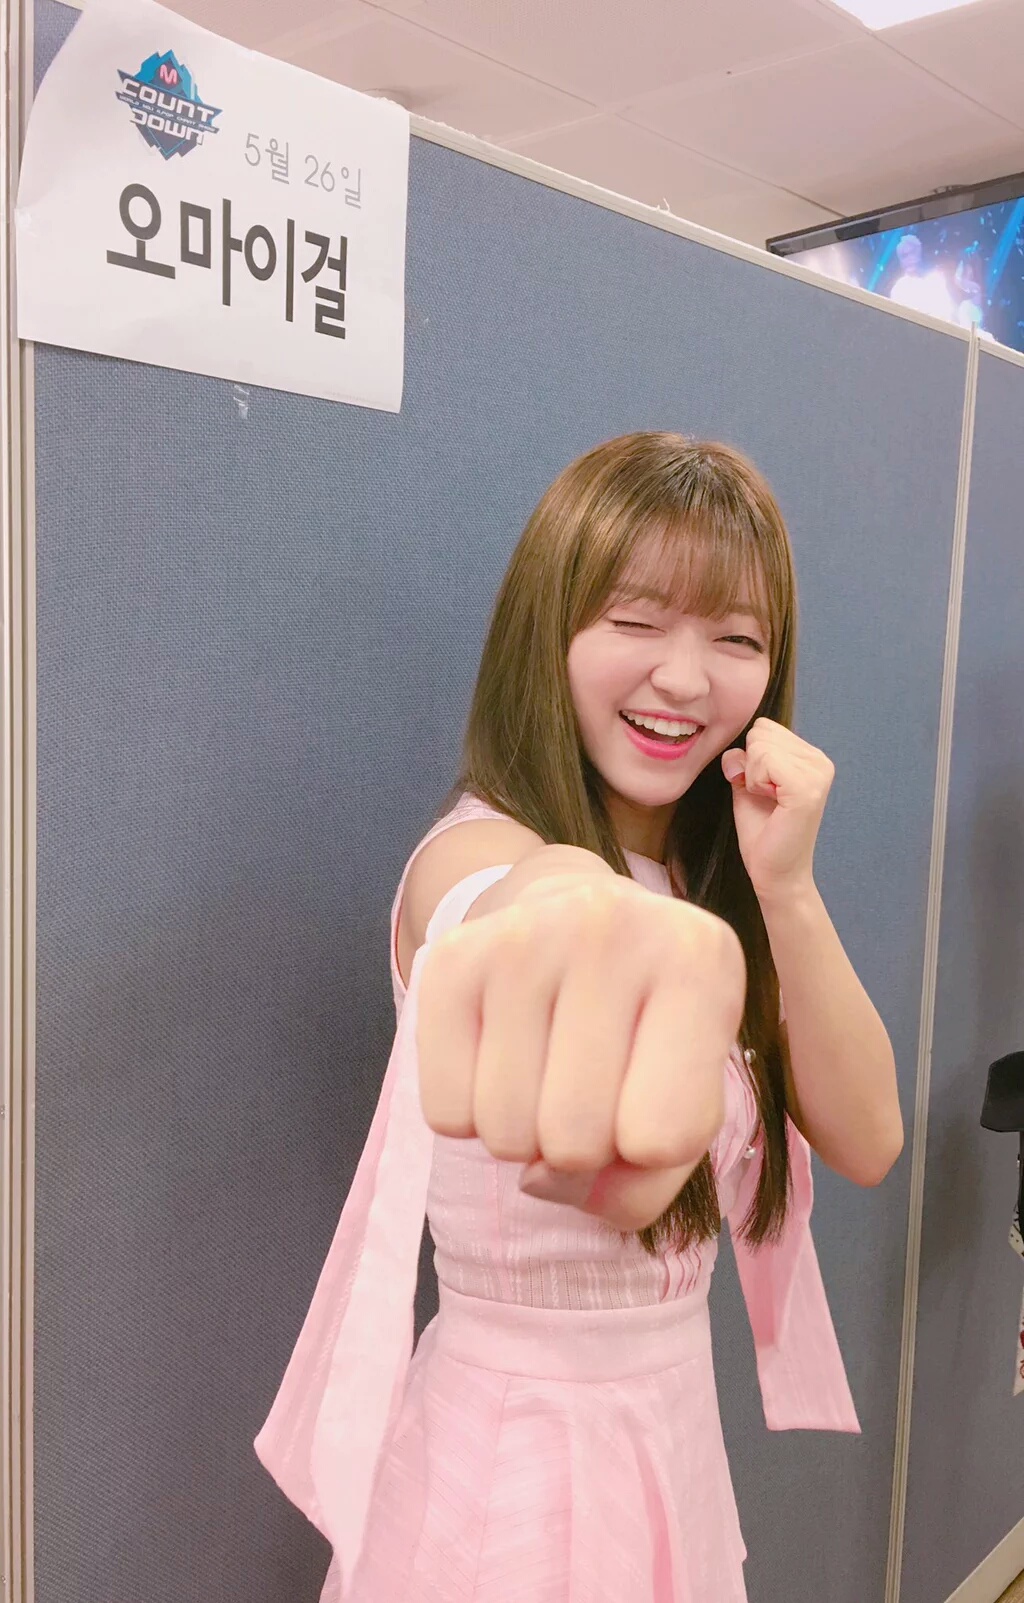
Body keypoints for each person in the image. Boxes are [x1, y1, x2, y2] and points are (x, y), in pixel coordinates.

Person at [255, 434, 904, 1602]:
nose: (685, 680)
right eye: (636, 620)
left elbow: (868, 1137)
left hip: (669, 1451)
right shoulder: (476, 856)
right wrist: (565, 903)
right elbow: (524, 908)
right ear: (547, 630)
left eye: (736, 639)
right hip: (509, 1481)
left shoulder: (708, 878)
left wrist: (787, 887)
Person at [888, 232, 954, 320]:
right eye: (905, 255)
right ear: (901, 262)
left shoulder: (936, 280)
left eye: (913, 252)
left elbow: (947, 312)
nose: (910, 258)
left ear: (919, 253)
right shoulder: (898, 289)